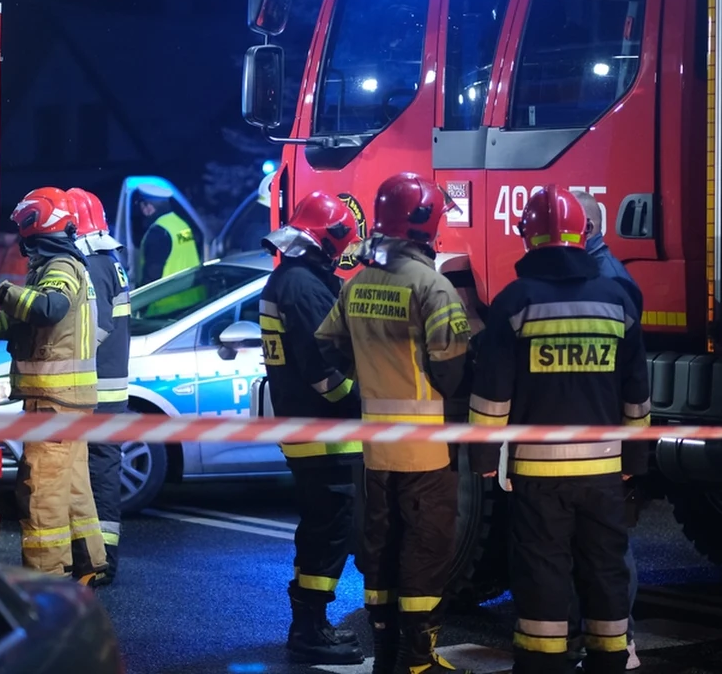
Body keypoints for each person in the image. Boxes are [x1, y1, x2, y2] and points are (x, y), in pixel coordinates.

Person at [468, 185, 650, 674]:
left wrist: (485, 461)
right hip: (605, 470)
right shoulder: (619, 299)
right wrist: (634, 461)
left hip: (539, 472)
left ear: (529, 237)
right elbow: (636, 390)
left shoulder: (514, 302)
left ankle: (543, 663)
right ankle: (611, 658)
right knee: (605, 565)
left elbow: (492, 396)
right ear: (581, 233)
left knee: (542, 566)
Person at [315, 172, 475, 674]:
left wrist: (359, 387)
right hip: (426, 451)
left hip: (376, 449)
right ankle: (418, 660)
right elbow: (450, 371)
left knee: (380, 550)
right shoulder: (433, 286)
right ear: (426, 224)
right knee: (426, 552)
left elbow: (327, 344)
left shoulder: (358, 283)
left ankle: (386, 656)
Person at [260, 192, 366, 666]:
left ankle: (310, 624)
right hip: (324, 429)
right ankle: (310, 629)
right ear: (327, 240)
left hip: (307, 425)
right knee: (328, 528)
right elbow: (323, 369)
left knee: (324, 525)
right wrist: (362, 406)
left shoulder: (289, 279)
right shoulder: (303, 286)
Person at [0, 187, 108, 585]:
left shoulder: (59, 265)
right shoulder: (69, 263)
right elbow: (32, 321)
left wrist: (1, 292)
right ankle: (87, 565)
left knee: (41, 490)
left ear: (34, 224)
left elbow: (48, 309)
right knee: (73, 487)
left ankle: (46, 580)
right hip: (69, 402)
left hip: (53, 401)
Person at [572, 190, 645, 669]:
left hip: (598, 436)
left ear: (588, 229)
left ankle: (622, 640)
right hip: (595, 434)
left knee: (606, 549)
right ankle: (605, 640)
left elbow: (624, 374)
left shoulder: (606, 281)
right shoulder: (601, 274)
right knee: (596, 545)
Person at [68, 187, 132, 584]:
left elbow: (98, 327)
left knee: (96, 471)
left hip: (96, 387)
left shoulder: (91, 263)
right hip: (112, 385)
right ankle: (101, 554)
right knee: (103, 468)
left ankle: (100, 558)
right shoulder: (111, 259)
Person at [133, 183, 201, 287]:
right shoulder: (181, 224)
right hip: (194, 294)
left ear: (149, 207)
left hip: (168, 300)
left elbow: (152, 277)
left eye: (141, 205)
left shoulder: (158, 232)